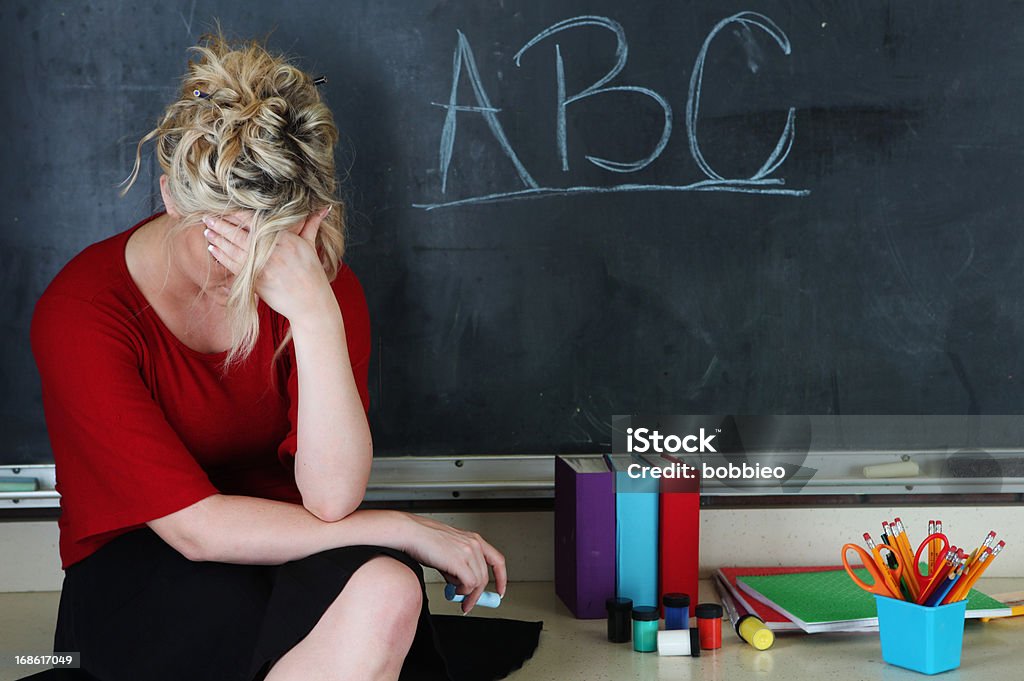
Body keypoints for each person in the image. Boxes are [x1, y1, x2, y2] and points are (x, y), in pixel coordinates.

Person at [30, 31, 540, 681]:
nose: (243, 271)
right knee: (359, 580)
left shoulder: (313, 281)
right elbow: (198, 531)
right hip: (143, 565)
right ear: (172, 196)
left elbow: (331, 498)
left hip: (294, 542)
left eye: (269, 243)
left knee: (392, 589)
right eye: (222, 236)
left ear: (308, 221)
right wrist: (405, 526)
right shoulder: (84, 308)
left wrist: (316, 313)